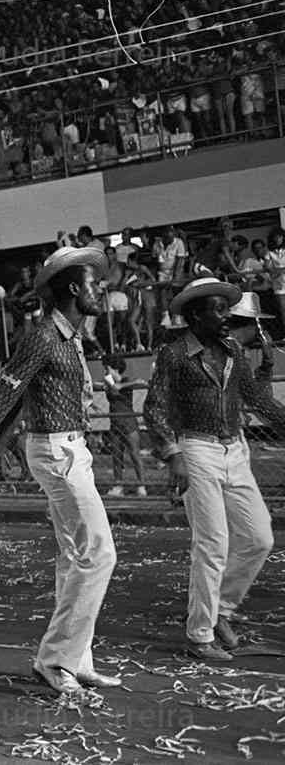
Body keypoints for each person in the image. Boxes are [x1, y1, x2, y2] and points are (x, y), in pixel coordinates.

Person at [0, 247, 119, 694]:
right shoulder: (43, 337)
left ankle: (77, 660)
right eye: (94, 284)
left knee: (74, 559)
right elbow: (6, 395)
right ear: (74, 289)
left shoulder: (71, 338)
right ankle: (53, 659)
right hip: (57, 454)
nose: (100, 289)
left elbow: (21, 399)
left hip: (70, 451)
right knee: (99, 553)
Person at [144, 277, 285, 660]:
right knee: (212, 543)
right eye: (219, 309)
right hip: (197, 449)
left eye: (227, 308)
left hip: (235, 450)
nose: (227, 316)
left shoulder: (235, 351)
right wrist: (174, 455)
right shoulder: (173, 355)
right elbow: (154, 409)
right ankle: (199, 634)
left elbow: (257, 400)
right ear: (195, 314)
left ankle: (220, 609)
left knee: (260, 538)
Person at [101, 354, 146, 497]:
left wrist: (120, 385)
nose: (105, 372)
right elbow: (104, 387)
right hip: (115, 423)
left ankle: (142, 485)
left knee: (134, 454)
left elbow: (139, 382)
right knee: (116, 455)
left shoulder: (126, 381)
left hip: (129, 423)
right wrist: (111, 385)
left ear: (115, 369)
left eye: (107, 369)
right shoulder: (107, 384)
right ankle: (118, 485)